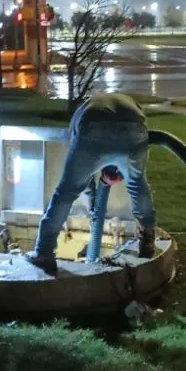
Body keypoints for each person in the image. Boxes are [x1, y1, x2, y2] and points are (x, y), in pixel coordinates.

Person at [26, 92, 156, 274]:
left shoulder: (84, 112)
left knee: (66, 192)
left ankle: (44, 252)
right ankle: (147, 240)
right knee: (136, 184)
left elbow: (81, 177)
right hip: (135, 125)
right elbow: (127, 155)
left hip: (93, 125)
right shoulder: (129, 101)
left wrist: (92, 202)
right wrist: (121, 175)